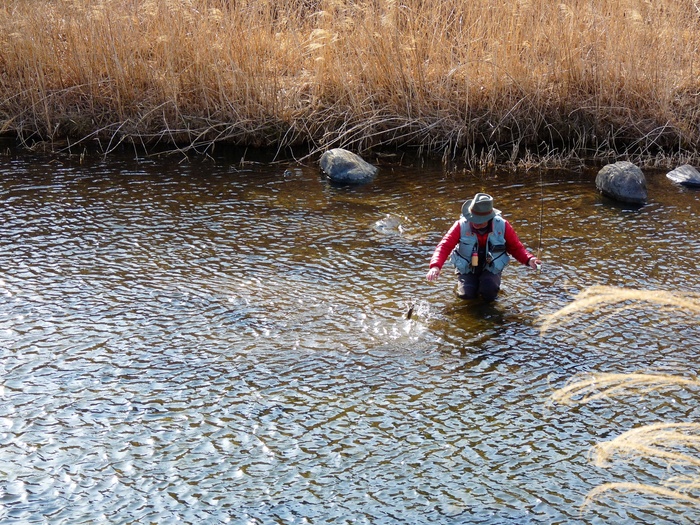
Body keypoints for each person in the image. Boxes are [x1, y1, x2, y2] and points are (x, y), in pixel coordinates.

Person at [426, 192, 541, 301]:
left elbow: (516, 248)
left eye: (480, 221)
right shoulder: (461, 225)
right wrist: (435, 266)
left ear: (489, 218)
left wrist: (529, 259)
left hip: (492, 267)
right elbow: (444, 246)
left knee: (489, 292)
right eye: (473, 219)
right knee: (466, 295)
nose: (475, 223)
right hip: (467, 268)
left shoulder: (502, 226)